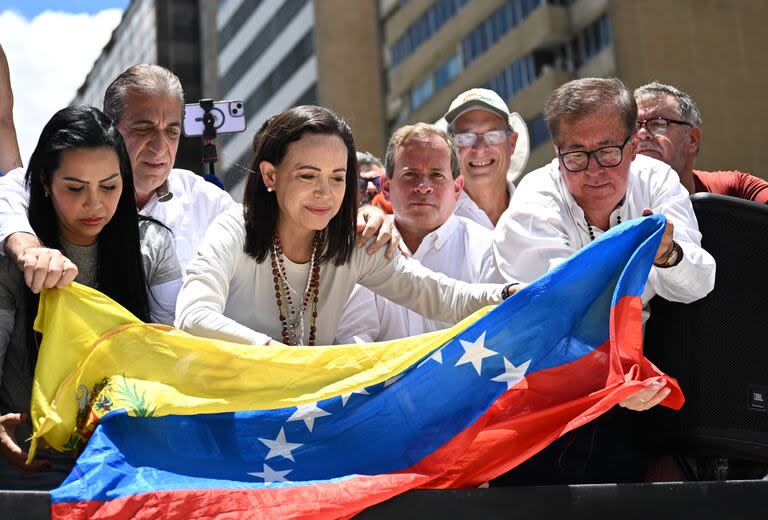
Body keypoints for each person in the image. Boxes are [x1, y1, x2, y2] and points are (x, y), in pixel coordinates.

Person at [0, 60, 397, 295]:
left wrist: (361, 218)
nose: (160, 146)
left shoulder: (205, 200)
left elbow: (283, 229)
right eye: (143, 129)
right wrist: (29, 249)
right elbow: (10, 195)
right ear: (110, 125)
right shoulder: (40, 182)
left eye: (172, 130)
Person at [490, 78, 716, 486]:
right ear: (557, 155)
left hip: (627, 396)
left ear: (632, 146)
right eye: (577, 154)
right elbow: (562, 312)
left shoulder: (658, 180)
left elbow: (700, 282)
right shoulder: (534, 197)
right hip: (539, 396)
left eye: (609, 152)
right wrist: (615, 379)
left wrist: (668, 253)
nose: (594, 170)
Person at [175, 106, 521, 346]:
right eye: (307, 175)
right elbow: (192, 315)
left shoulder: (352, 242)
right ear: (270, 175)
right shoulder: (237, 229)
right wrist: (276, 357)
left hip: (306, 419)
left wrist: (505, 294)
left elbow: (436, 295)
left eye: (338, 178)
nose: (324, 193)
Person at [0, 106, 181, 489]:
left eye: (110, 186)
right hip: (28, 462)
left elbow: (174, 353)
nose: (95, 204)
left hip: (127, 465)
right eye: (75, 188)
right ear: (46, 183)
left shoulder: (153, 245)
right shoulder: (14, 260)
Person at [336, 123, 500, 343]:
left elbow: (499, 338)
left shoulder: (488, 249)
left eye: (436, 175)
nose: (423, 187)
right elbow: (353, 345)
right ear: (386, 186)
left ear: (457, 188)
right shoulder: (364, 244)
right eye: (410, 174)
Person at [634, 81, 768, 203]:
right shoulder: (614, 204)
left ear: (692, 139)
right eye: (633, 126)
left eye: (658, 124)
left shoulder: (736, 189)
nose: (642, 134)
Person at [441, 88, 530, 229]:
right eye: (465, 137)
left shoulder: (538, 211)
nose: (480, 148)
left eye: (493, 135)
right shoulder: (433, 223)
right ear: (450, 150)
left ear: (512, 143)